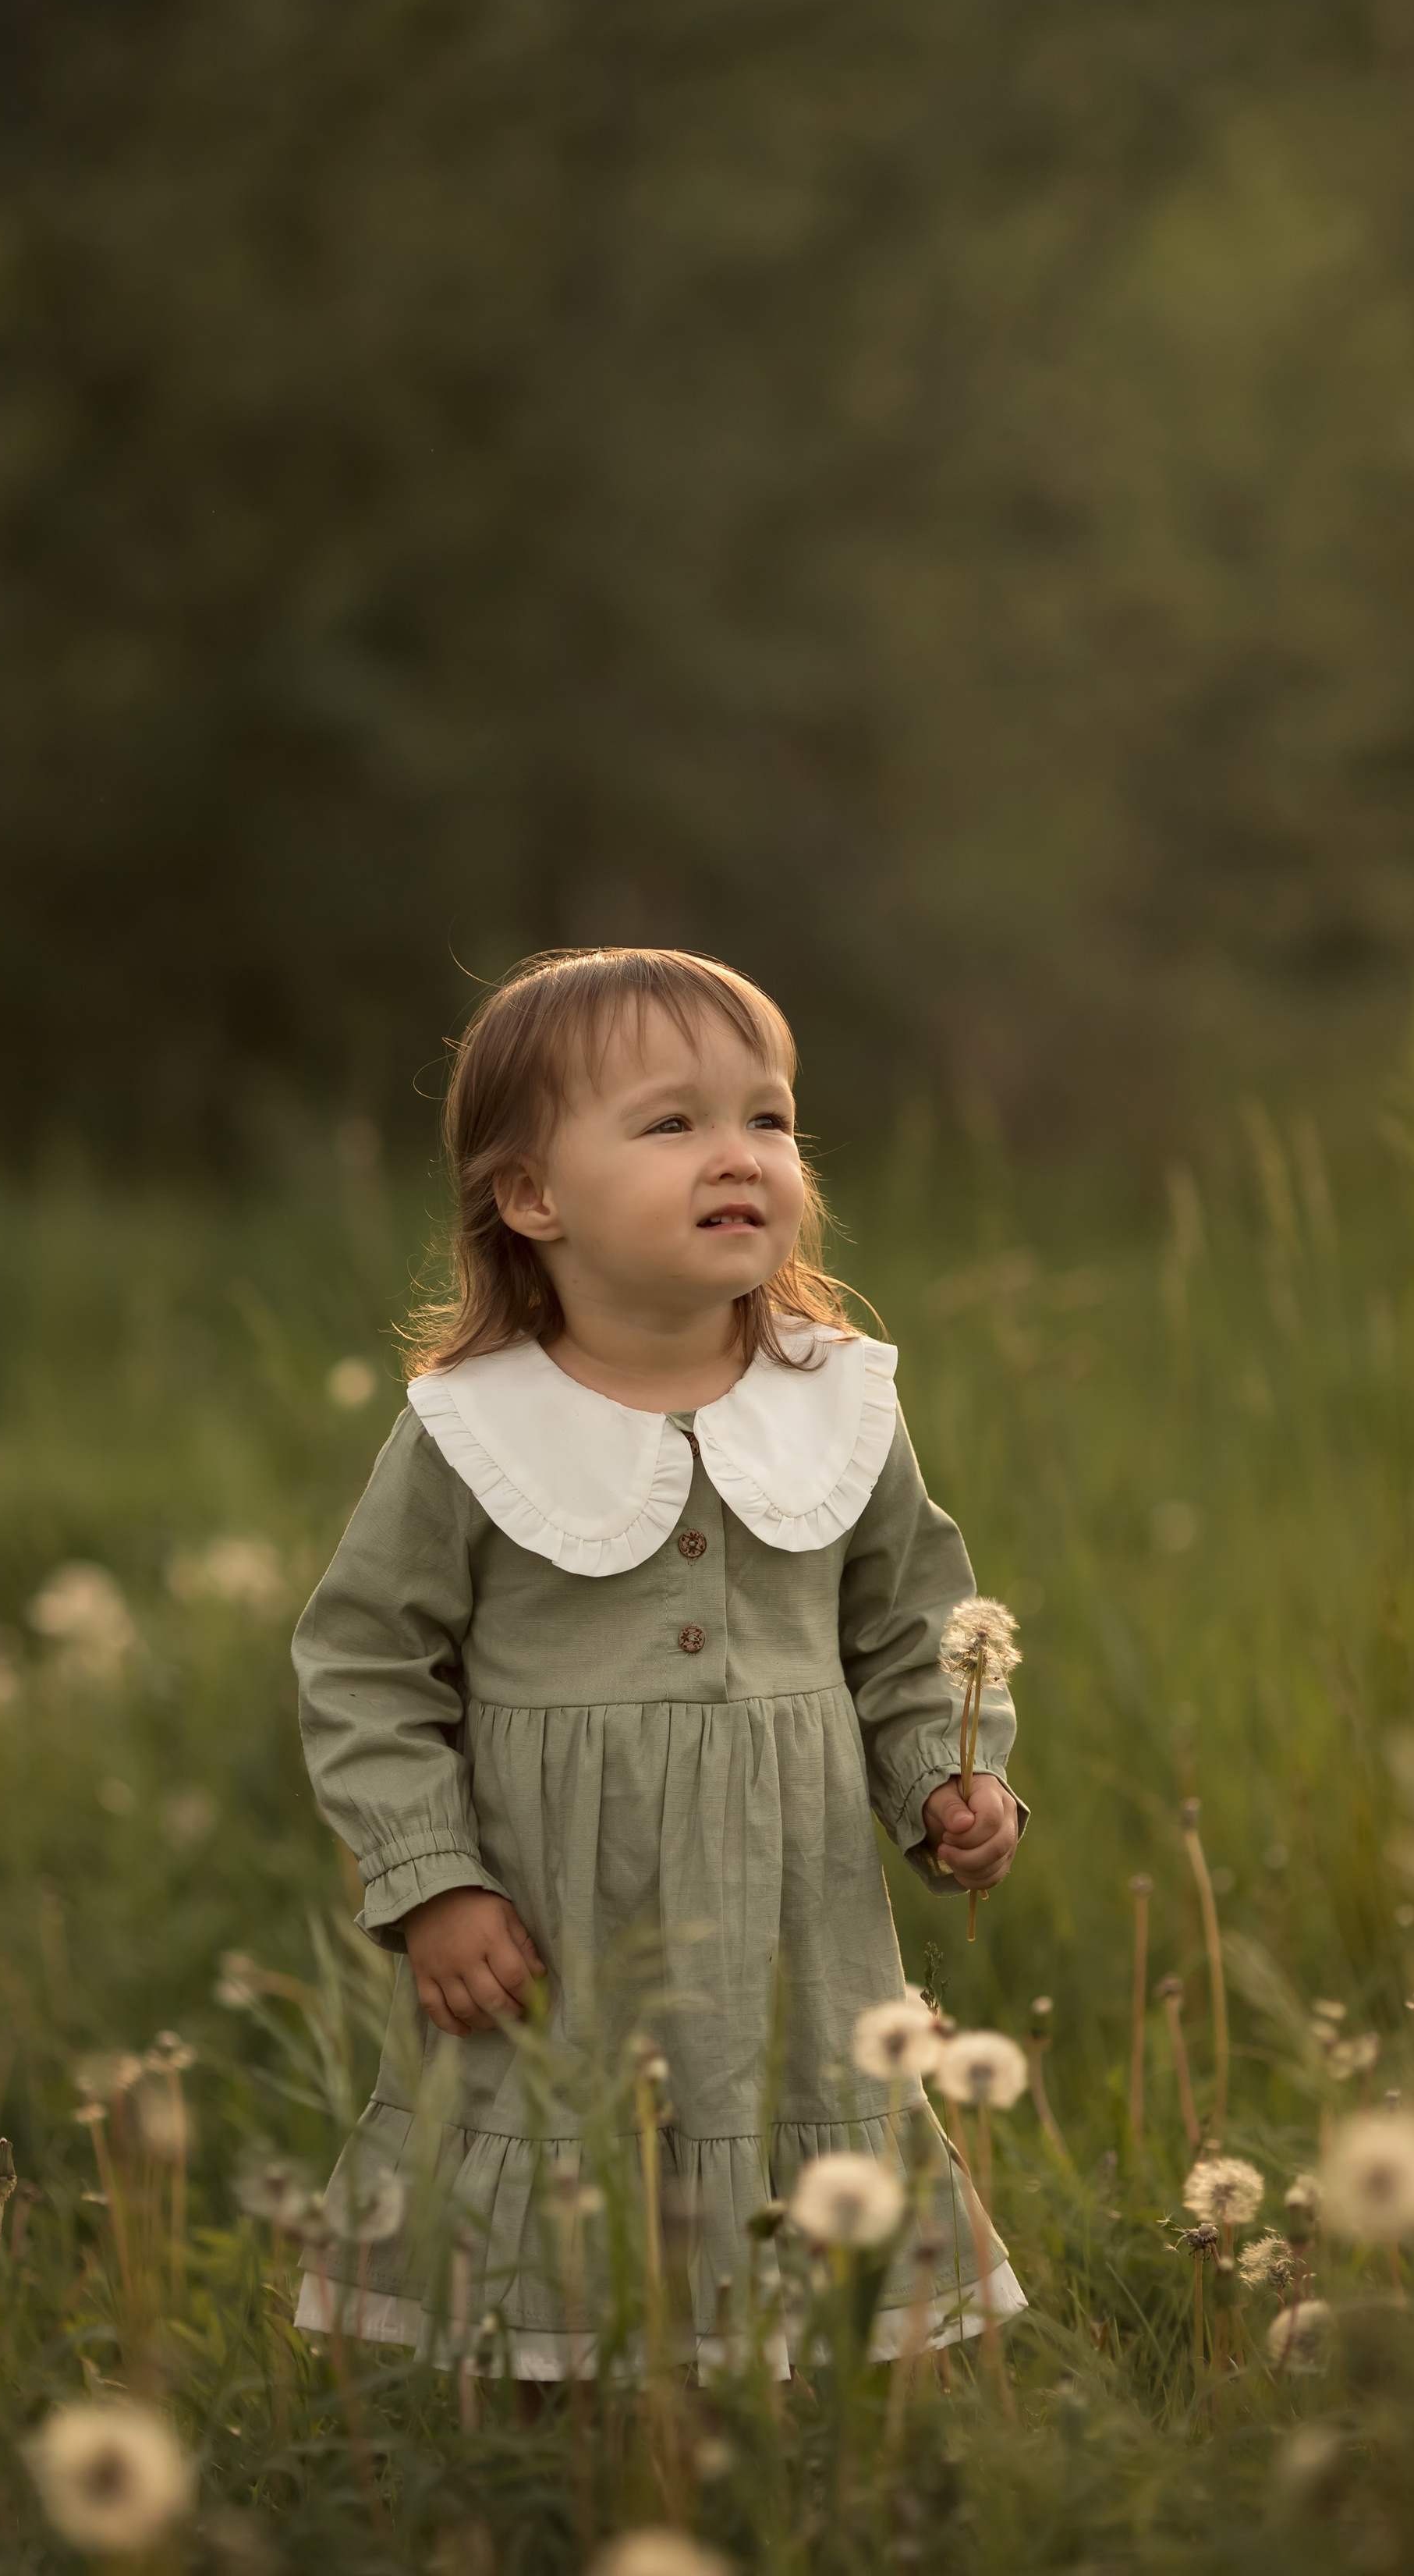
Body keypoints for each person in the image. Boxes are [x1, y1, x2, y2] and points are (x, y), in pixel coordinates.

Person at [289, 946, 1027, 2375]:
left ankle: (805, 2433)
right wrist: (432, 1882)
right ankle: (559, 2439)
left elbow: (906, 1632)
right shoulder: (474, 1428)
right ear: (533, 1196)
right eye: (673, 1121)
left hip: (795, 1914)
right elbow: (364, 1664)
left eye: (769, 1117)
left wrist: (951, 1781)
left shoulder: (837, 1401)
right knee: (559, 2234)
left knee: (807, 2150)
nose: (740, 1153)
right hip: (560, 1925)